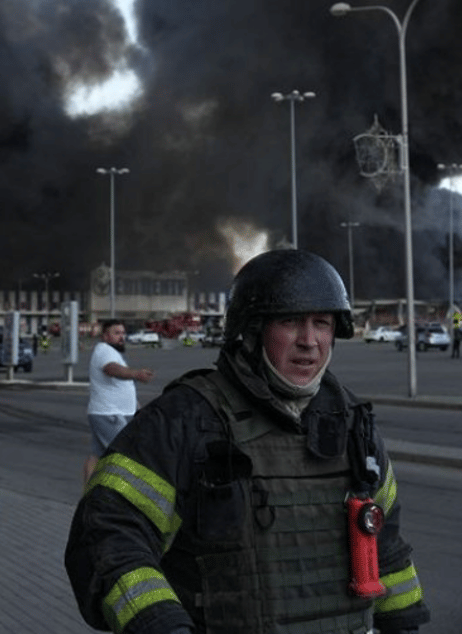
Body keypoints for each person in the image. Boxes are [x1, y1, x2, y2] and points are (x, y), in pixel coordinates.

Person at [66, 249, 429, 634]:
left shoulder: (355, 425)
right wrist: (161, 625)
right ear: (253, 330)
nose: (309, 341)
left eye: (321, 323)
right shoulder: (186, 420)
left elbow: (386, 549)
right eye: (290, 322)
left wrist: (402, 625)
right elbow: (109, 535)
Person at [82, 319, 154, 484]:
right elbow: (112, 369)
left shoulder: (109, 351)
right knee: (126, 453)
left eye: (123, 333)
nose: (122, 337)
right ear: (106, 336)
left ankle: (88, 496)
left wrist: (136, 406)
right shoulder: (105, 350)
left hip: (109, 412)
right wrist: (136, 374)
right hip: (110, 414)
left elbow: (120, 384)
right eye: (117, 333)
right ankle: (119, 495)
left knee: (97, 454)